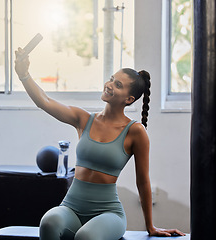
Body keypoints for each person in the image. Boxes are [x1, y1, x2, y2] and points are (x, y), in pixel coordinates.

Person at [15, 48, 185, 240]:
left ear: (129, 99)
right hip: (71, 207)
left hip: (108, 214)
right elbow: (45, 101)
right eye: (112, 79)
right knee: (48, 223)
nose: (109, 84)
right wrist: (24, 74)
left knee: (86, 237)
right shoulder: (83, 119)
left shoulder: (135, 132)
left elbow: (143, 180)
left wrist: (150, 227)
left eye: (118, 84)